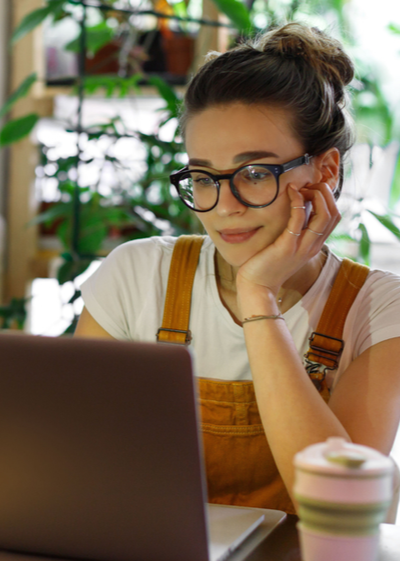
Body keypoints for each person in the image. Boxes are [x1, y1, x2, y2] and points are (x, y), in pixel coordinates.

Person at [75, 23, 400, 514]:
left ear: (325, 171)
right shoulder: (137, 274)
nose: (223, 206)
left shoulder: (377, 308)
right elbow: (74, 463)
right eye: (204, 177)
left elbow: (340, 506)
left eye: (254, 173)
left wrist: (258, 299)